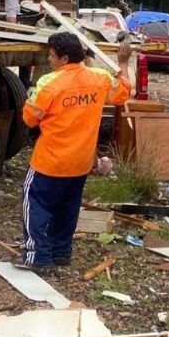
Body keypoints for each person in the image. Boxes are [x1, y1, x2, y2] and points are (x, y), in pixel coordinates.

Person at [18, 33, 132, 272]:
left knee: (35, 205)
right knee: (67, 208)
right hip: (80, 162)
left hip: (49, 162)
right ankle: (61, 252)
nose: (49, 60)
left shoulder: (49, 83)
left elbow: (29, 119)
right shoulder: (99, 78)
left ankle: (37, 256)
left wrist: (30, 99)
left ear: (64, 58)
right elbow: (123, 92)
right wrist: (123, 62)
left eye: (51, 56)